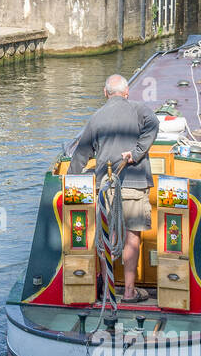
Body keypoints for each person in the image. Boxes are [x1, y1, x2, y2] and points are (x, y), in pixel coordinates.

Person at [68, 74, 159, 303]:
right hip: (135, 186)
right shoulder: (140, 110)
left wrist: (69, 182)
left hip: (106, 187)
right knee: (132, 237)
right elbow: (154, 125)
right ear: (126, 93)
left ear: (105, 92)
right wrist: (137, 153)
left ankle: (108, 292)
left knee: (106, 237)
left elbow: (81, 154)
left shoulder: (96, 118)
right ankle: (129, 291)